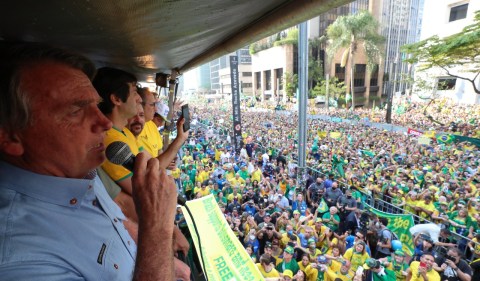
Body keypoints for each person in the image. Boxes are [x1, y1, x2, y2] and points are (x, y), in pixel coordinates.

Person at [0, 42, 177, 280]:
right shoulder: (18, 257)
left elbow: (117, 224)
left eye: (96, 105)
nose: (104, 123)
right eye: (76, 110)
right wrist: (158, 230)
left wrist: (167, 262)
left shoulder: (80, 173)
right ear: (10, 135)